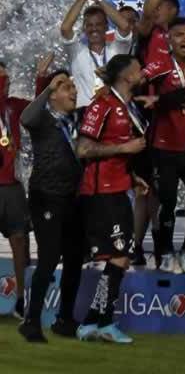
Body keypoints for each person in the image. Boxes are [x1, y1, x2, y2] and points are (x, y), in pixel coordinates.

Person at [75, 54, 149, 343]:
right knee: (119, 257)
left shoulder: (123, 105)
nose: (143, 71)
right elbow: (83, 149)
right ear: (127, 76)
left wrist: (131, 177)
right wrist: (126, 148)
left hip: (117, 188)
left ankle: (94, 322)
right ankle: (102, 322)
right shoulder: (102, 105)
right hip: (101, 192)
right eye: (138, 68)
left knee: (120, 257)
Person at [142, 17, 185, 273]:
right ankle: (164, 251)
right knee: (166, 203)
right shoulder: (158, 66)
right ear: (169, 41)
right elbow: (137, 84)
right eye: (179, 35)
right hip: (165, 146)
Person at [18, 71, 84, 342]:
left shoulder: (78, 119)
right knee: (49, 257)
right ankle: (31, 321)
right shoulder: (43, 119)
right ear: (53, 95)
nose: (72, 91)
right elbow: (25, 118)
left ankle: (65, 319)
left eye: (73, 86)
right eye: (65, 87)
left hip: (73, 196)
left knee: (75, 257)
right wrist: (46, 89)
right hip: (46, 195)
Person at [0, 57, 50, 322]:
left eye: (7, 81)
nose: (6, 86)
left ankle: (20, 299)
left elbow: (38, 109)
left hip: (13, 187)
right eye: (1, 82)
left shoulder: (14, 106)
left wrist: (43, 81)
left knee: (19, 240)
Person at [60, 0, 133, 109]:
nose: (94, 29)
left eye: (98, 24)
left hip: (115, 113)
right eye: (89, 25)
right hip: (86, 117)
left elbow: (125, 26)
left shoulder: (117, 49)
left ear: (106, 26)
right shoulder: (77, 51)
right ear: (84, 28)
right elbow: (65, 28)